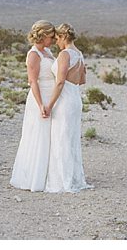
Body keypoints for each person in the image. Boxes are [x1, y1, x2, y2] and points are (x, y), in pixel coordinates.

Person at [9, 20, 57, 191]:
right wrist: (40, 104)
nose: (53, 40)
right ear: (43, 35)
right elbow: (32, 81)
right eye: (51, 37)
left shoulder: (48, 52)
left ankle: (49, 174)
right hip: (40, 97)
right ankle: (34, 176)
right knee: (39, 135)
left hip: (52, 97)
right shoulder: (33, 54)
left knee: (50, 136)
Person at [43, 23, 90, 193]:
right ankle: (73, 176)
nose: (56, 42)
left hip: (64, 101)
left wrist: (49, 105)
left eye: (56, 39)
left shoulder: (65, 55)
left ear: (63, 37)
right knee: (70, 138)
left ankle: (62, 179)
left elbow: (60, 82)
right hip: (75, 98)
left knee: (61, 137)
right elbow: (82, 80)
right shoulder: (79, 54)